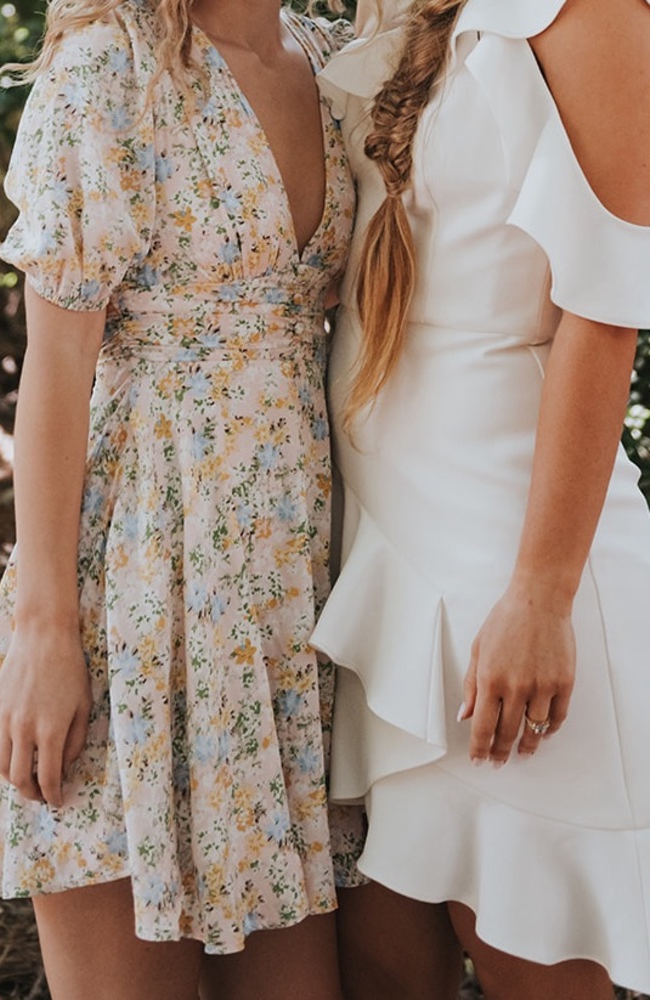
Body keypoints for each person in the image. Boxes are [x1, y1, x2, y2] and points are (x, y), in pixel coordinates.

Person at [0, 1, 365, 997]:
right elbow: (55, 366)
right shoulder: (108, 70)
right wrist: (46, 628)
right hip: (136, 573)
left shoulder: (333, 61)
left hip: (289, 591)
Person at [311, 0, 650, 996]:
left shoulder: (589, 16)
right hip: (387, 559)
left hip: (514, 559)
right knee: (383, 957)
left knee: (524, 949)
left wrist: (539, 594)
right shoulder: (397, 8)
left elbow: (607, 311)